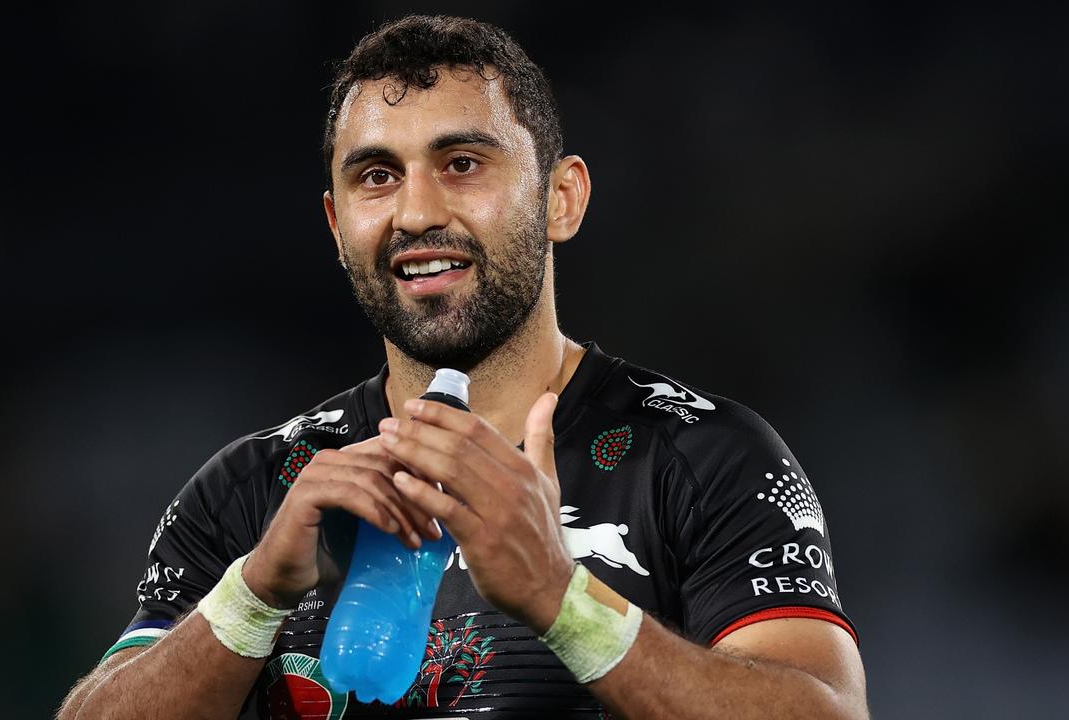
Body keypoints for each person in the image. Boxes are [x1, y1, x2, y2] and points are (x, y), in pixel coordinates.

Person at [58, 14, 868, 720]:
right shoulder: (252, 491)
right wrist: (253, 596)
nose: (416, 213)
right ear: (338, 225)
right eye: (378, 177)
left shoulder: (702, 459)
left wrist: (562, 600)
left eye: (462, 163)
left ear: (562, 198)